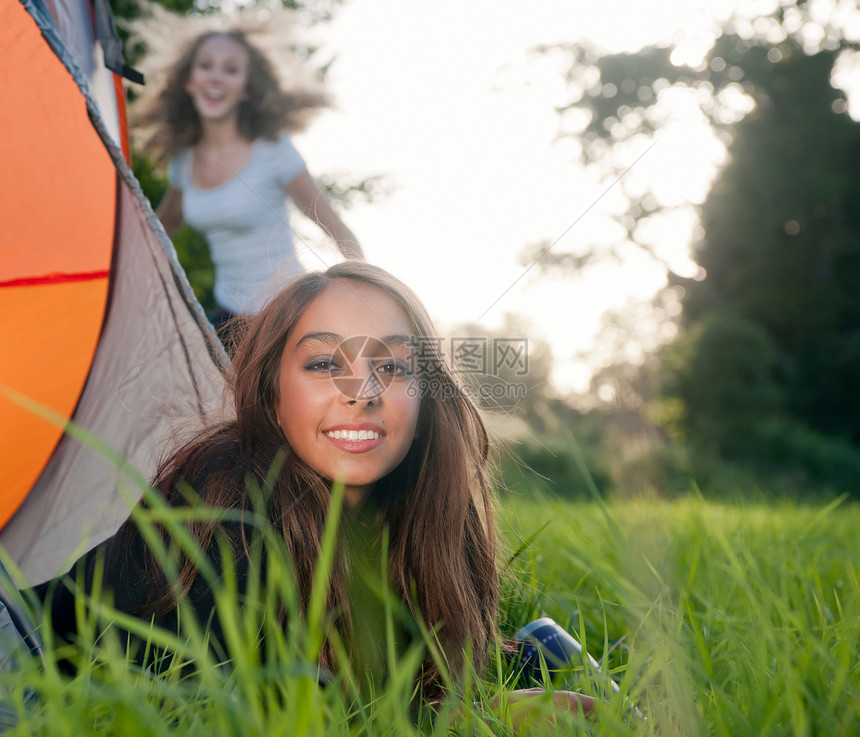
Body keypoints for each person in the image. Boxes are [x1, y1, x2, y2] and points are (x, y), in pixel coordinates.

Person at [36, 262, 596, 724]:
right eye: (324, 363)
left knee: (544, 650)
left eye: (394, 366)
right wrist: (469, 721)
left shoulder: (435, 516)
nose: (362, 393)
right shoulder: (222, 503)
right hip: (22, 653)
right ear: (272, 394)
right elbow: (221, 711)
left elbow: (419, 682)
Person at [134, 27, 364, 335]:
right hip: (230, 319)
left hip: (288, 312)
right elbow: (162, 228)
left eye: (230, 69)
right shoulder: (185, 161)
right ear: (189, 81)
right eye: (206, 66)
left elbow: (333, 225)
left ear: (245, 89)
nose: (216, 76)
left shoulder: (272, 150)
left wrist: (367, 293)